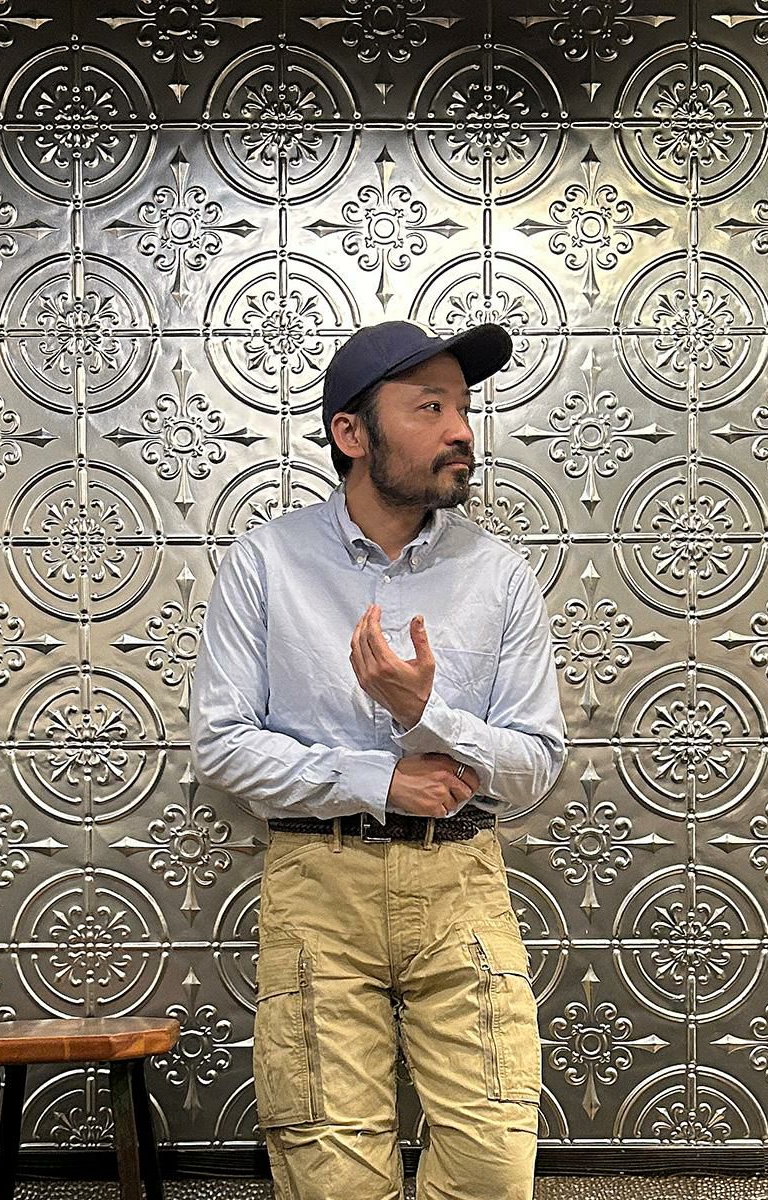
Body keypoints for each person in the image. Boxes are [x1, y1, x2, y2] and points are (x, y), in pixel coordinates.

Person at [190, 318, 566, 1200]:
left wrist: (423, 714)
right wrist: (382, 778)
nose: (461, 430)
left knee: (492, 1168)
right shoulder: (267, 563)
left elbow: (536, 762)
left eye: (463, 407)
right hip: (318, 885)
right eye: (430, 407)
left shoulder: (500, 574)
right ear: (351, 434)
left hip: (462, 882)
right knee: (333, 1177)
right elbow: (221, 745)